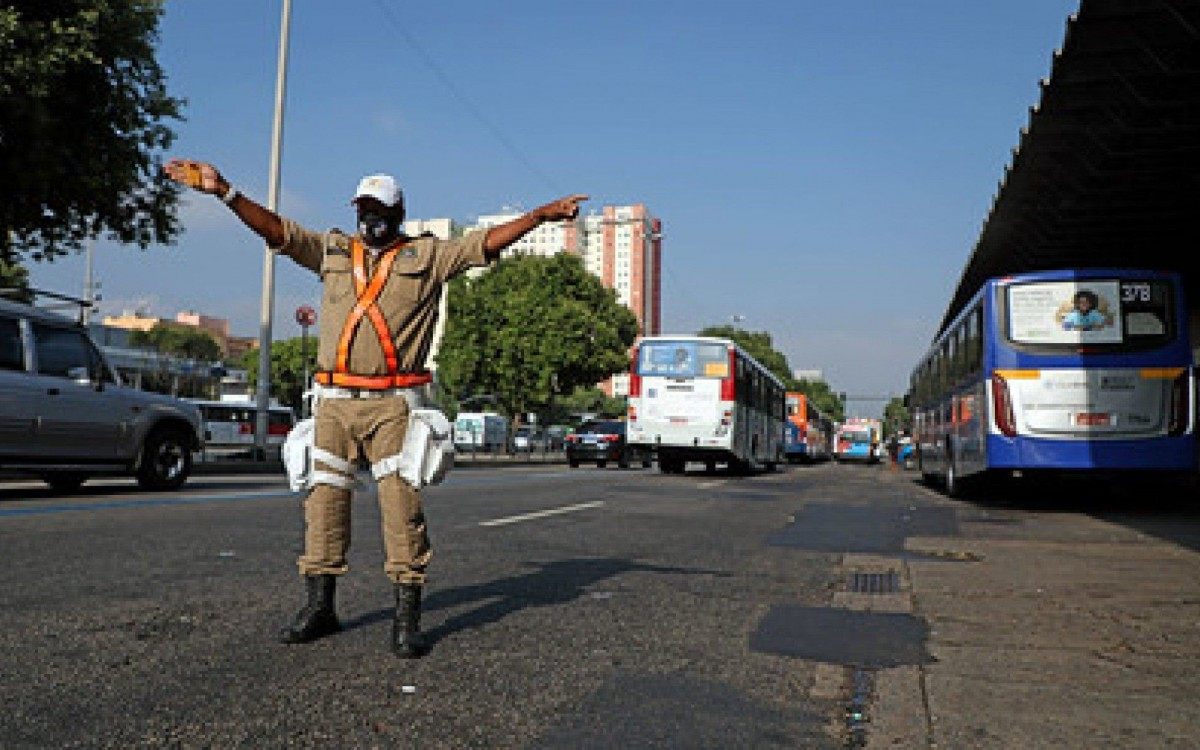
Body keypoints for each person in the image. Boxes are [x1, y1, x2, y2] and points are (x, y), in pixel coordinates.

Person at [165, 159, 586, 658]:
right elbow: (278, 231)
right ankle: (320, 606)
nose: (371, 218)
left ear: (399, 211)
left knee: (401, 511)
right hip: (334, 405)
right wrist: (224, 191)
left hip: (394, 406)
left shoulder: (428, 256)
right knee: (322, 507)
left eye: (380, 209)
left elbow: (484, 243)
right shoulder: (334, 251)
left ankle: (406, 619)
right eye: (363, 209)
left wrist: (538, 215)